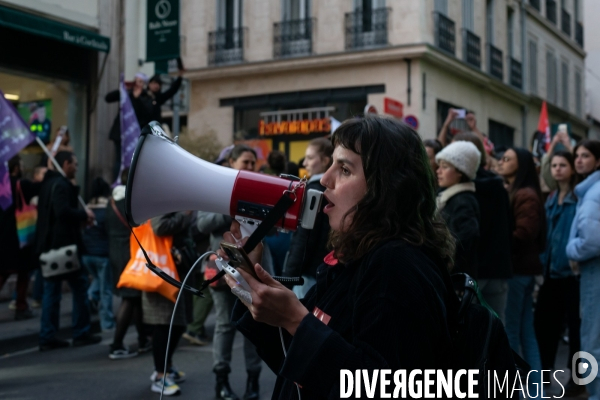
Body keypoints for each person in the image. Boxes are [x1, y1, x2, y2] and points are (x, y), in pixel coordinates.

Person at [224, 116, 457, 399]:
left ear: (386, 188)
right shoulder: (356, 258)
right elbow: (295, 362)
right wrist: (250, 280)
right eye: (332, 163)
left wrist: (297, 320)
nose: (325, 179)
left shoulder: (398, 267)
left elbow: (382, 388)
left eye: (344, 169)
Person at [196, 144, 264, 400]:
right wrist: (231, 210)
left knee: (252, 325)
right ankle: (221, 381)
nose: (249, 167)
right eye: (244, 162)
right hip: (221, 269)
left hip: (250, 270)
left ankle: (253, 381)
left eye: (252, 163)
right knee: (224, 325)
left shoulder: (259, 190)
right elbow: (202, 223)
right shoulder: (215, 189)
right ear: (232, 163)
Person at [34, 151, 102, 351]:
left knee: (52, 292)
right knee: (79, 287)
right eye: (75, 164)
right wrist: (83, 214)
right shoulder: (61, 185)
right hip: (64, 248)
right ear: (65, 164)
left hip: (51, 247)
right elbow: (62, 212)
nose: (77, 168)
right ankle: (80, 331)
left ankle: (48, 335)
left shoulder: (49, 184)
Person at [496, 147, 546, 396]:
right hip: (521, 270)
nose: (501, 162)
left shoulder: (525, 194)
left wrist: (500, 243)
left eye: (507, 159)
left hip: (519, 271)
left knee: (513, 333)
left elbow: (525, 233)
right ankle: (535, 393)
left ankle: (516, 392)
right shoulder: (516, 191)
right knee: (526, 332)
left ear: (521, 164)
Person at [534, 150, 582, 396]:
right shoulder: (552, 196)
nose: (557, 169)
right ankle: (544, 371)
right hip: (550, 272)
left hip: (573, 275)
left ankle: (577, 379)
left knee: (576, 329)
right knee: (544, 325)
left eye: (563, 165)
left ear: (573, 168)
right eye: (554, 165)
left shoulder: (579, 197)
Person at [145, 211, 194, 396]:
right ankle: (160, 375)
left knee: (177, 324)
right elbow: (159, 227)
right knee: (165, 324)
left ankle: (167, 366)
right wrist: (185, 216)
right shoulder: (163, 199)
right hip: (163, 269)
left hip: (174, 268)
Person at [566, 139, 600, 400]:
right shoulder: (589, 189)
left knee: (593, 344)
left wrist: (571, 249)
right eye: (576, 155)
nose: (578, 160)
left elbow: (591, 240)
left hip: (594, 271)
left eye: (585, 155)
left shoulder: (594, 191)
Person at [107, 168, 150, 359]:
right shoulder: (132, 203)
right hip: (130, 255)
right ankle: (116, 344)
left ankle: (142, 339)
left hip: (115, 254)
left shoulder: (112, 202)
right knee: (130, 298)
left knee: (135, 299)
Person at [283, 137, 333, 298]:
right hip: (325, 270)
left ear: (325, 160)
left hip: (307, 275)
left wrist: (288, 277)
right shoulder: (333, 190)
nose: (304, 163)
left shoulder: (313, 192)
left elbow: (303, 238)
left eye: (310, 158)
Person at [0, 155, 39, 320]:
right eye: (21, 165)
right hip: (20, 236)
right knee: (23, 273)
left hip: (4, 235)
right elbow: (37, 190)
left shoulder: (3, 186)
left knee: (3, 271)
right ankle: (21, 305)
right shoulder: (21, 184)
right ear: (16, 168)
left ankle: (21, 305)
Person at [435, 141, 481, 278]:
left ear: (460, 172)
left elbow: (466, 239)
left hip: (455, 278)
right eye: (439, 166)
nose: (438, 171)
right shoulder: (446, 196)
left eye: (445, 166)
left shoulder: (462, 201)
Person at [105, 72, 153, 179]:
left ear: (144, 84)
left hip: (133, 136)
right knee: (119, 159)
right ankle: (117, 183)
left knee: (133, 160)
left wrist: (138, 98)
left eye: (140, 82)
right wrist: (123, 89)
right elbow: (108, 98)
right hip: (121, 133)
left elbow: (148, 113)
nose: (137, 84)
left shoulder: (146, 97)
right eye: (135, 81)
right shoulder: (127, 93)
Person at [81, 177, 114, 332]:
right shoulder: (107, 209)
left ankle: (89, 297)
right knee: (106, 289)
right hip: (102, 254)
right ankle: (107, 323)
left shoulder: (86, 207)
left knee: (98, 281)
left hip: (87, 254)